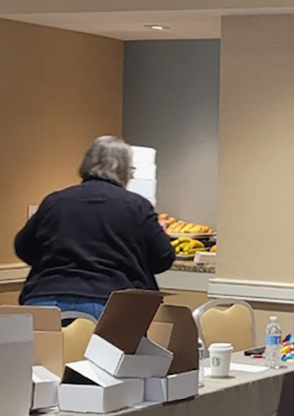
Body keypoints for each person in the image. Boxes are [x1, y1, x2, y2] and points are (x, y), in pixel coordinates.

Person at [14, 135, 174, 320]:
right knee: (105, 350)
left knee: (45, 350)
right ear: (122, 169)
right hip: (111, 301)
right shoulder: (136, 206)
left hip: (45, 298)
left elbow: (23, 247)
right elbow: (163, 257)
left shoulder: (55, 202)